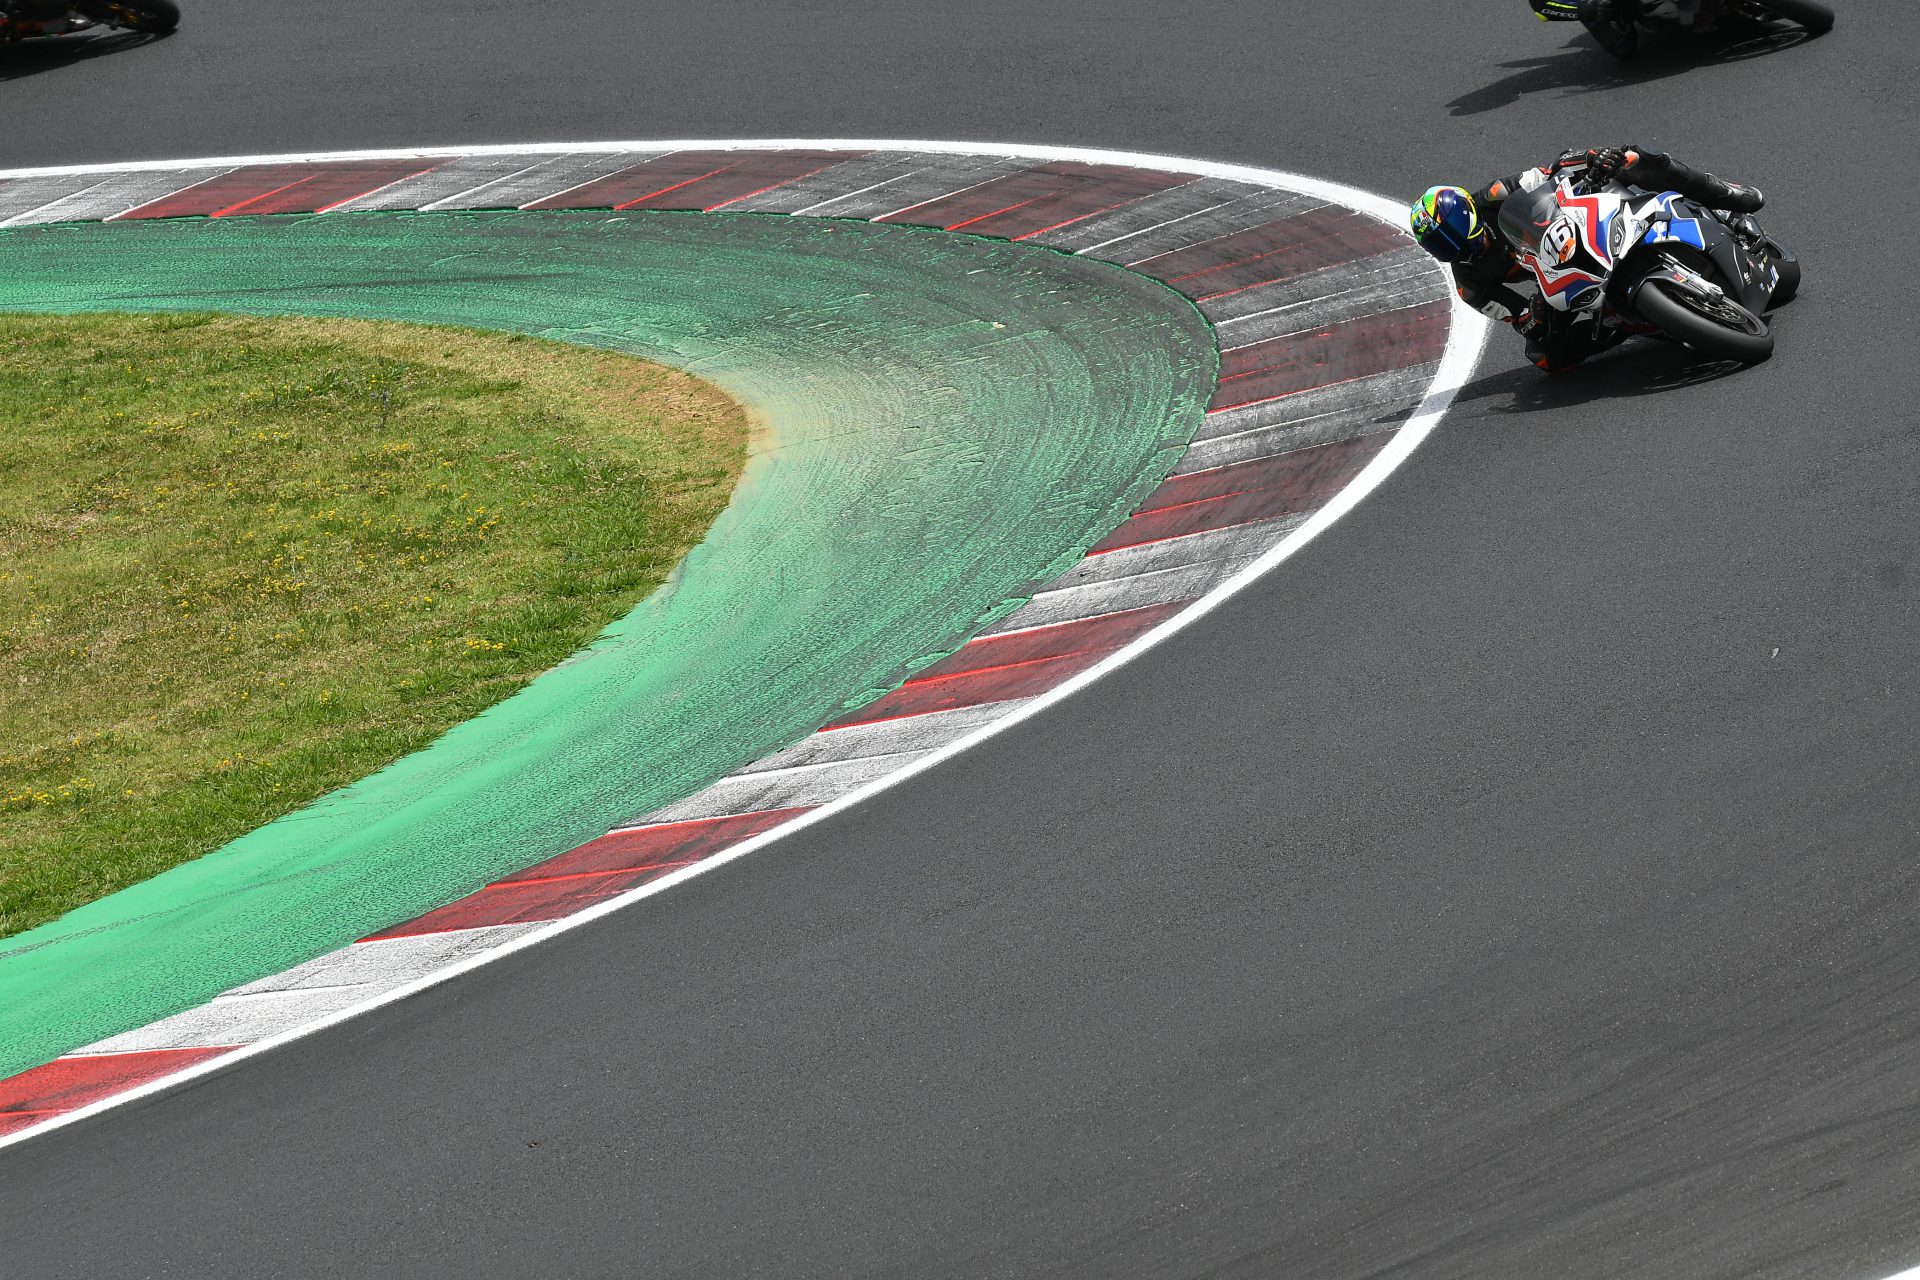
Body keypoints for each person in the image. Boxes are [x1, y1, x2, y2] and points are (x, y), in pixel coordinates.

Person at [1408, 146, 1765, 371]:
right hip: (1553, 276)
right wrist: (1535, 315)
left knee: (1633, 159)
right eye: (1442, 246)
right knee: (1544, 357)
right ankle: (1620, 323)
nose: (1456, 247)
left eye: (1454, 233)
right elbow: (1519, 319)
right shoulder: (1470, 287)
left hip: (1571, 224)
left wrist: (1592, 159)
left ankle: (1725, 196)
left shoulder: (1494, 195)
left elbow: (1549, 171)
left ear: (1468, 212)